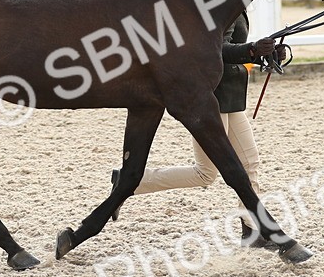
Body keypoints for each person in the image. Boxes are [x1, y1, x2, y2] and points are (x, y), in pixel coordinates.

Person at [114, 11, 283, 211]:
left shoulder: (238, 5)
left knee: (250, 163)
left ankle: (252, 227)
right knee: (205, 173)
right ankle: (129, 183)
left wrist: (264, 54)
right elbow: (215, 49)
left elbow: (235, 50)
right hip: (212, 98)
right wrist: (252, 50)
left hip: (231, 98)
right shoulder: (222, 6)